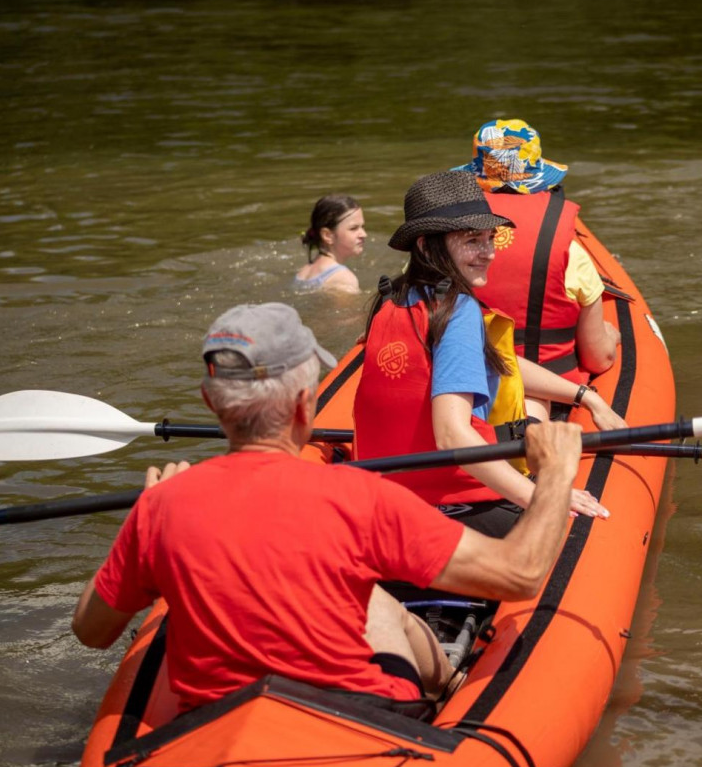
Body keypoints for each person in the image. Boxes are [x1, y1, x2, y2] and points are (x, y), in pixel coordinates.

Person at [71, 301, 585, 716]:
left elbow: (91, 632)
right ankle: (449, 687)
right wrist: (557, 473)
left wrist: (151, 514)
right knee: (379, 599)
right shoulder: (360, 497)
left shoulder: (162, 506)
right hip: (365, 726)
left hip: (215, 725)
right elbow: (519, 577)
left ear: (211, 402)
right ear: (305, 402)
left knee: (374, 596)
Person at [353, 171, 626, 539]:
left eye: (490, 239)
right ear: (424, 245)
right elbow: (452, 435)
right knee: (592, 527)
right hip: (458, 507)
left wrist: (586, 396)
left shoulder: (392, 300)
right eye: (472, 240)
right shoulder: (457, 310)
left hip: (383, 506)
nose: (489, 253)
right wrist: (542, 497)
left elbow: (501, 364)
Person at [452, 119, 620, 388]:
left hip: (459, 379)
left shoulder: (444, 240)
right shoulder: (570, 252)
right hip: (548, 385)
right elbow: (598, 359)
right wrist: (610, 337)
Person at [292, 194, 364, 293]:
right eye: (353, 228)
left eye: (362, 227)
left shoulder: (303, 272)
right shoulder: (344, 279)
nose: (364, 234)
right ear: (327, 235)